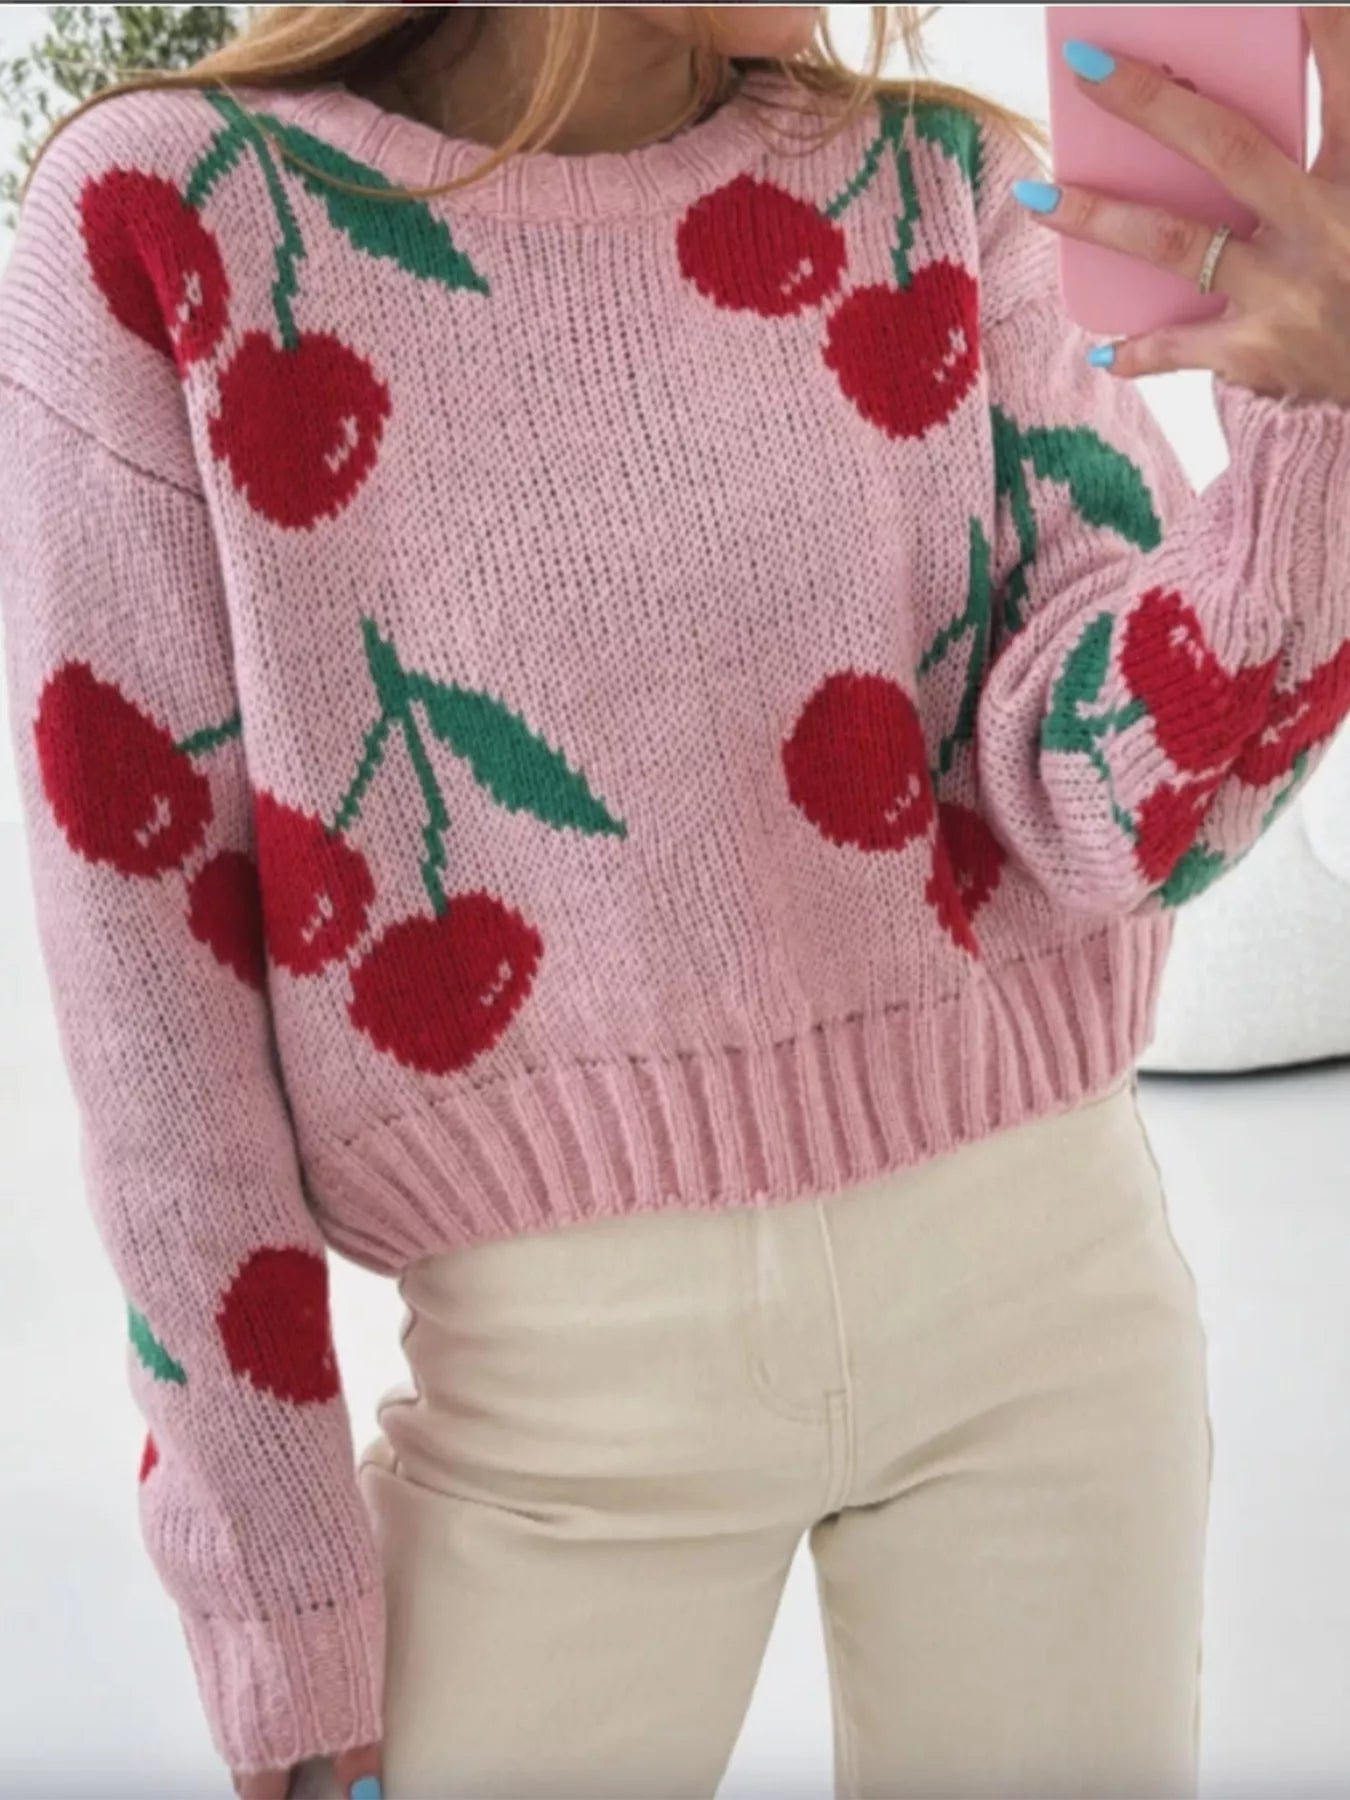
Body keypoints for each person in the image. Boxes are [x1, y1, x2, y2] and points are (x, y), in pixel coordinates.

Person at [2, 4, 1349, 1796]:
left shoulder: (940, 188)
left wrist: (1318, 436)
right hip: (546, 1428)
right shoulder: (169, 220)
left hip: (1053, 1329)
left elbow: (1119, 821)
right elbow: (153, 1031)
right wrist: (277, 1598)